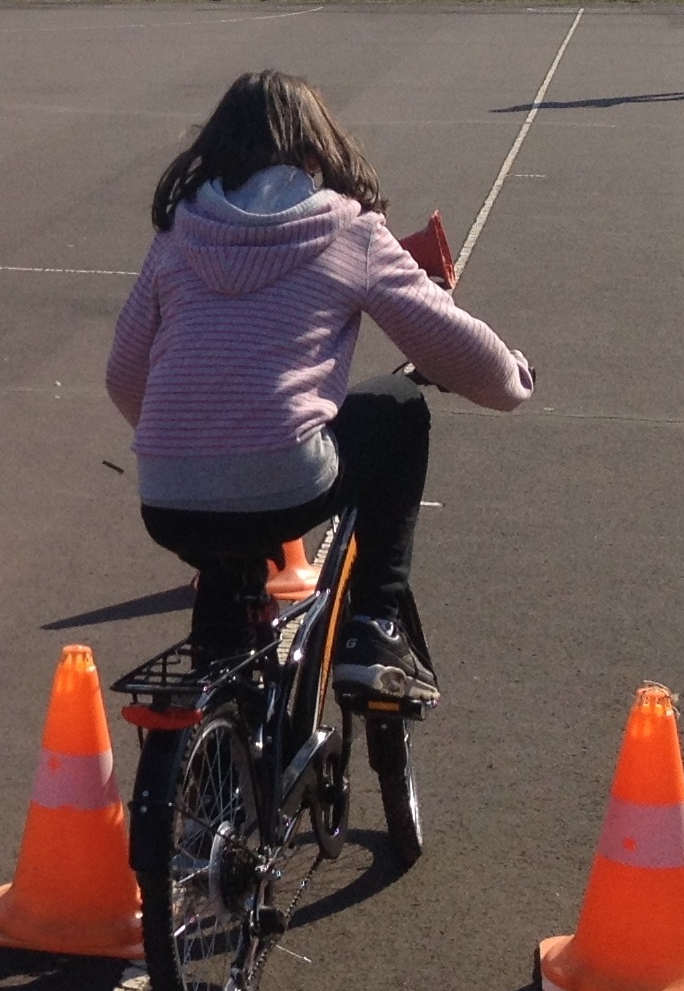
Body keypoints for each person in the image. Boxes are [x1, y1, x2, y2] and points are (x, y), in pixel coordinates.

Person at [105, 71, 533, 707]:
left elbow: (123, 374)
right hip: (286, 480)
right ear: (314, 151)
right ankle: (377, 623)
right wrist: (513, 380)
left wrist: (190, 442)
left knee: (224, 556)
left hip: (167, 495)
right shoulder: (348, 229)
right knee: (398, 407)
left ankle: (218, 737)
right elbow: (449, 342)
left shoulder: (177, 233)